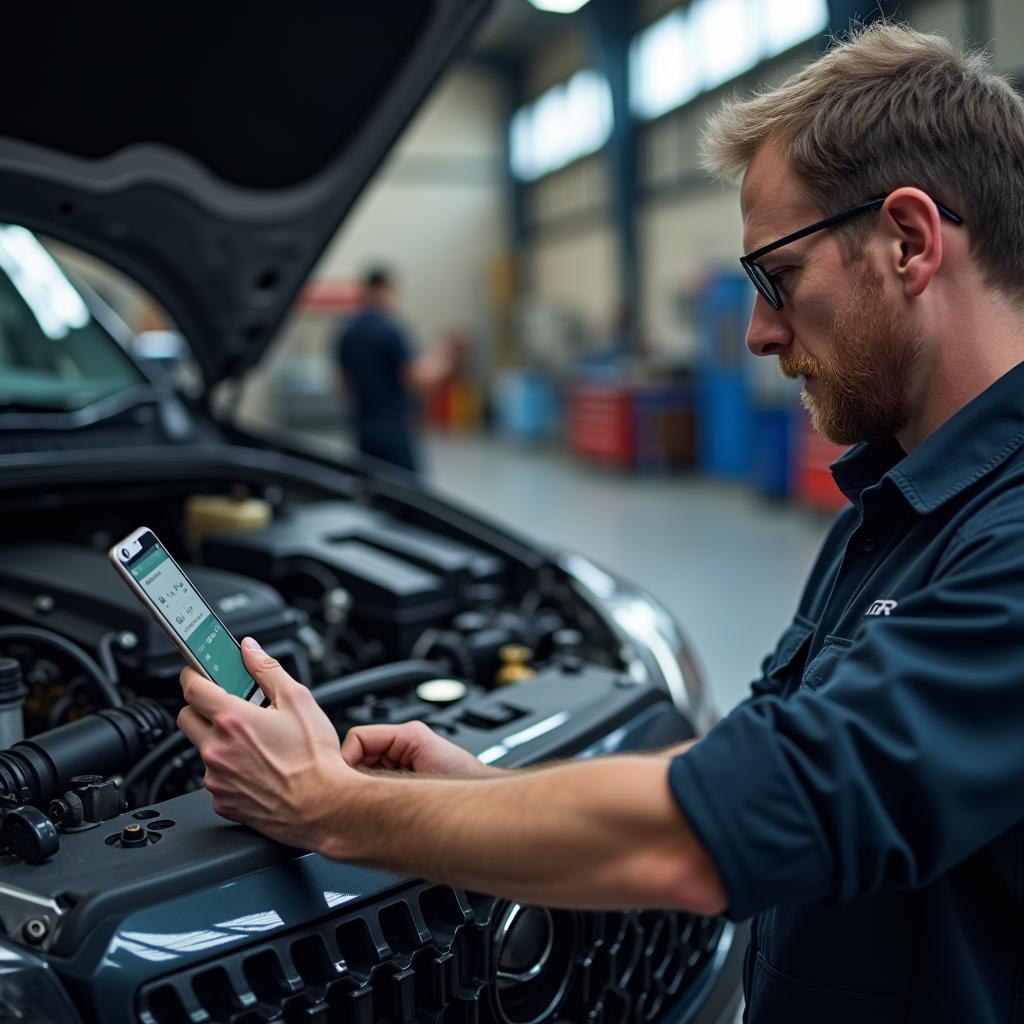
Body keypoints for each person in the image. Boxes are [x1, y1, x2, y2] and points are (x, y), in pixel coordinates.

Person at [178, 24, 1024, 1022]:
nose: (758, 332)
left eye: (775, 279)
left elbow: (723, 829)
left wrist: (337, 808)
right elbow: (743, 765)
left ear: (909, 241)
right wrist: (467, 796)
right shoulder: (888, 513)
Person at [335, 267, 450, 473]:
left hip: (363, 425)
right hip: (392, 426)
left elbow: (343, 385)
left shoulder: (347, 332)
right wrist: (438, 366)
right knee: (405, 492)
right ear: (385, 289)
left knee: (372, 489)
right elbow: (412, 379)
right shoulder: (391, 331)